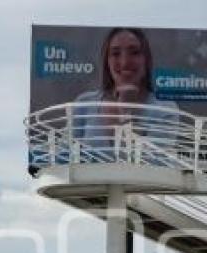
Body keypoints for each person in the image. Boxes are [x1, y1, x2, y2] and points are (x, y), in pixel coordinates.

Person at [73, 27, 180, 161]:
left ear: (146, 60)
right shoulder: (85, 103)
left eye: (134, 53)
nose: (125, 63)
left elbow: (153, 167)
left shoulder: (165, 110)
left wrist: (126, 112)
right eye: (116, 54)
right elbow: (64, 158)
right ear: (107, 61)